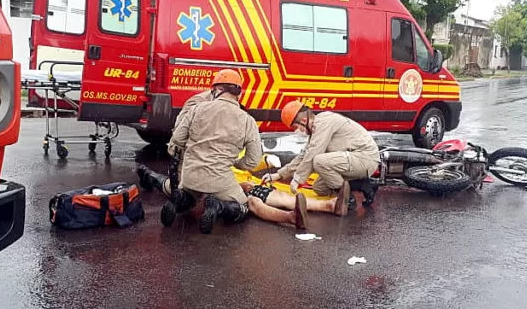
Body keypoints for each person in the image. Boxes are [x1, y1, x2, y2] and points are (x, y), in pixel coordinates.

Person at [137, 70, 308, 233]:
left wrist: (190, 157)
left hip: (190, 176)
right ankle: (218, 207)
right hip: (219, 180)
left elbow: (175, 143)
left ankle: (179, 199)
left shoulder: (197, 108)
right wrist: (234, 162)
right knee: (245, 205)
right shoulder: (247, 120)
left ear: (217, 89)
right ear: (238, 93)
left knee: (190, 194)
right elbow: (253, 161)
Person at [261, 100, 380, 215]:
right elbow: (303, 156)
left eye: (295, 127)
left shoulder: (324, 122)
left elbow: (312, 155)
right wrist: (279, 175)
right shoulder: (316, 129)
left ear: (303, 120)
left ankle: (348, 199)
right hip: (352, 159)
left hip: (365, 157)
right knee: (320, 188)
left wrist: (297, 179)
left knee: (319, 161)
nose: (297, 131)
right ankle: (364, 185)